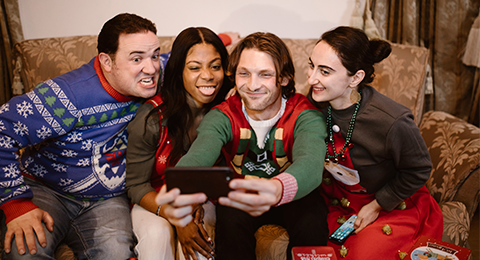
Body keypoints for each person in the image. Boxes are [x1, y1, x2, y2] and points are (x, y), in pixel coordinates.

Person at [0, 13, 167, 259]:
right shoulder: (66, 97)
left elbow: (188, 55)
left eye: (154, 55)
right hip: (47, 190)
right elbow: (2, 128)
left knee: (116, 254)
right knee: (24, 251)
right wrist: (16, 204)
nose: (151, 67)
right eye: (136, 58)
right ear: (107, 62)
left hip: (108, 199)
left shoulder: (155, 74)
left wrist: (225, 39)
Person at [157, 32, 330, 260]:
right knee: (230, 218)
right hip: (241, 197)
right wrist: (179, 183)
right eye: (244, 74)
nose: (252, 85)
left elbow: (310, 163)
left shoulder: (304, 114)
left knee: (312, 217)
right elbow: (201, 154)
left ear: (284, 78)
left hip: (293, 196)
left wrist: (277, 188)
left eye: (265, 75)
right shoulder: (223, 115)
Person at [306, 26, 443, 259]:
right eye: (311, 65)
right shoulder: (315, 101)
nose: (311, 79)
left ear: (356, 78)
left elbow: (419, 169)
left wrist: (376, 206)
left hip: (391, 204)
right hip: (340, 201)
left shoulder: (392, 120)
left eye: (325, 71)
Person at [125, 27, 234, 260]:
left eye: (215, 66)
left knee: (200, 242)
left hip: (204, 200)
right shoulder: (152, 118)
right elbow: (135, 185)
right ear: (178, 71)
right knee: (157, 235)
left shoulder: (228, 111)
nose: (207, 75)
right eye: (195, 67)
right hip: (155, 199)